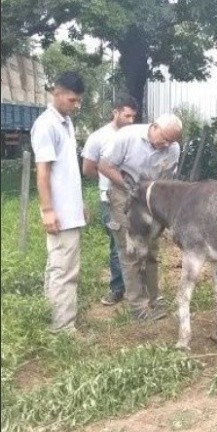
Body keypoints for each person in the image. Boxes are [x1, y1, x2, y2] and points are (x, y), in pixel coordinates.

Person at [97, 114, 182, 322]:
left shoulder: (173, 148)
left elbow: (167, 179)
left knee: (151, 250)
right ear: (154, 127)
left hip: (151, 197)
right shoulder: (127, 136)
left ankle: (154, 299)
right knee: (131, 251)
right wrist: (129, 186)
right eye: (164, 139)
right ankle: (138, 308)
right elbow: (104, 165)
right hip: (123, 193)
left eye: (171, 141)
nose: (167, 145)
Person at [30, 72, 86, 334]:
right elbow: (42, 173)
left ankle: (51, 316)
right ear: (57, 93)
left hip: (70, 210)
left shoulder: (65, 122)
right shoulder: (46, 125)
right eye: (72, 100)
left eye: (78, 101)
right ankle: (63, 329)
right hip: (59, 214)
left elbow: (68, 171)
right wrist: (48, 210)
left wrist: (79, 202)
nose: (76, 105)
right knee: (65, 270)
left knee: (58, 266)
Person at [81, 96, 138, 306]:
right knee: (117, 245)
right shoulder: (99, 137)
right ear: (115, 112)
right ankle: (117, 287)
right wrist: (108, 181)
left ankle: (137, 286)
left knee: (137, 240)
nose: (131, 120)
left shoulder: (135, 135)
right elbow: (87, 169)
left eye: (134, 116)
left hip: (136, 200)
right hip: (110, 200)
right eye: (127, 115)